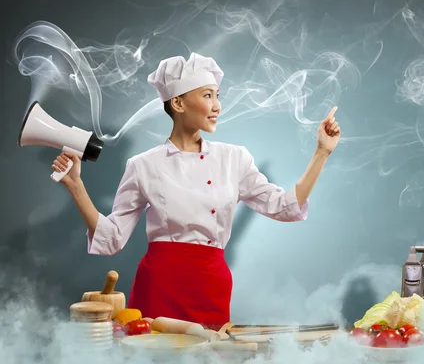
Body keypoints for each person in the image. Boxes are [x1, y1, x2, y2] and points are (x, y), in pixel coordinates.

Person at [51, 52, 341, 329]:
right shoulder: (143, 165)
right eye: (207, 95)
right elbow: (112, 238)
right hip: (159, 286)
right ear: (178, 103)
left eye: (217, 95)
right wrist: (76, 185)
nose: (217, 106)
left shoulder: (234, 158)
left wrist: (321, 153)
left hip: (210, 285)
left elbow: (284, 206)